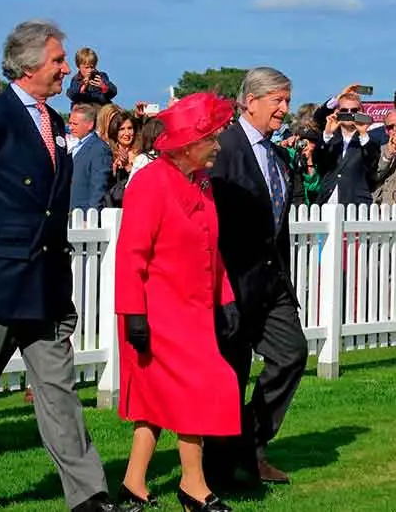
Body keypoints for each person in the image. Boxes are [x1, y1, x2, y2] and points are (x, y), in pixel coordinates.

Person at [0, 21, 120, 512]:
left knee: (59, 393)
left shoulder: (53, 121)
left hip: (46, 282)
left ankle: (88, 494)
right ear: (31, 65)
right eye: (58, 60)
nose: (64, 69)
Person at [115, 92, 240, 512]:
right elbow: (131, 255)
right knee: (200, 389)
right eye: (212, 139)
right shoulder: (150, 182)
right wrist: (133, 315)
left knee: (157, 399)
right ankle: (194, 486)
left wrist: (226, 300)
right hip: (157, 312)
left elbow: (212, 245)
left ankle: (133, 485)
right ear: (189, 144)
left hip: (194, 310)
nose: (219, 147)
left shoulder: (201, 182)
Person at [207, 67, 308, 486]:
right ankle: (221, 468)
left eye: (287, 101)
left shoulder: (277, 154)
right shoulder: (224, 148)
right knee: (231, 373)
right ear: (250, 102)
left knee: (292, 355)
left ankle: (250, 443)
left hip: (272, 283)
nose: (284, 110)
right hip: (233, 283)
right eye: (277, 101)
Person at [69, 103, 113, 213]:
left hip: (84, 215)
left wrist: (90, 216)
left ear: (89, 125)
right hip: (71, 212)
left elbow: (99, 186)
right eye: (70, 123)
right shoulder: (77, 145)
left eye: (75, 124)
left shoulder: (99, 149)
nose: (71, 127)